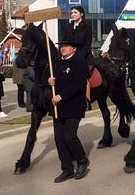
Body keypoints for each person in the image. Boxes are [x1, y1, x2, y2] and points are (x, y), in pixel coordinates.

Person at [48, 38, 90, 183]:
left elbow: (79, 84)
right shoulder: (57, 62)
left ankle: (82, 161)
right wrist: (50, 81)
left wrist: (61, 96)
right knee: (59, 139)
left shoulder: (80, 62)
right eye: (61, 46)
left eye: (66, 46)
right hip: (58, 107)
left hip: (73, 105)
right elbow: (48, 79)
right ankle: (67, 169)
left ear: (74, 48)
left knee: (69, 136)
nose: (63, 48)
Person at [63, 6, 93, 108]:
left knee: (83, 76)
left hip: (83, 57)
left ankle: (86, 100)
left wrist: (77, 57)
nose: (73, 14)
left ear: (82, 14)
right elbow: (64, 42)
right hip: (68, 56)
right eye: (71, 13)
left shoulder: (87, 27)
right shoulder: (67, 27)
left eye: (75, 12)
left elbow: (87, 45)